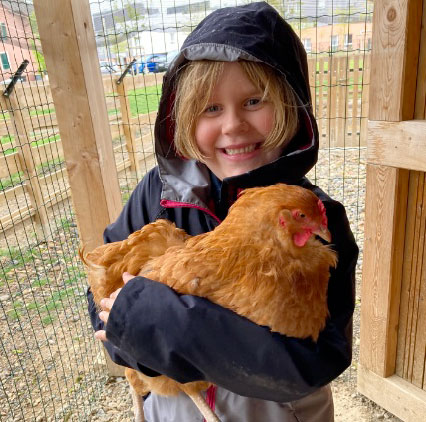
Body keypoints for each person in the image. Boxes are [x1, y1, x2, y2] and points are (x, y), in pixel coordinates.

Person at [88, 2, 358, 421]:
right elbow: (105, 295)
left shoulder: (318, 218)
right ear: (184, 118)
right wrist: (136, 347)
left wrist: (170, 327)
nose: (233, 125)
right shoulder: (157, 196)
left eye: (253, 101)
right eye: (211, 109)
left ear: (290, 105)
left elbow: (316, 360)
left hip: (277, 410)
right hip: (176, 406)